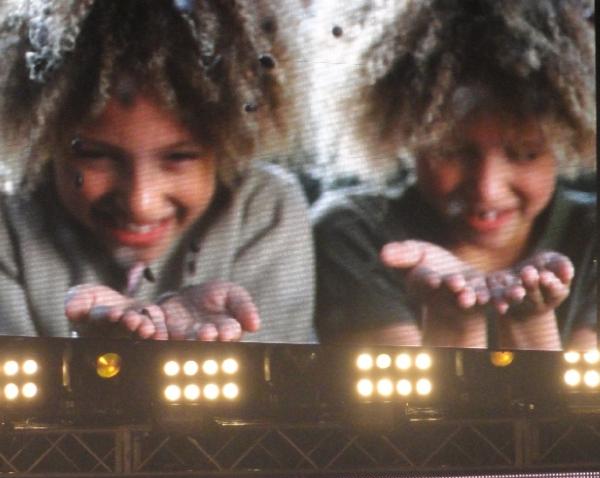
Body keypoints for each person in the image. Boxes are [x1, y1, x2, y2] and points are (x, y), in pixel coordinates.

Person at [0, 0, 314, 342]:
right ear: (44, 138)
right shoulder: (8, 220)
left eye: (180, 157)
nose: (141, 203)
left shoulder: (265, 209)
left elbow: (274, 371)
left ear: (229, 145)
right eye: (95, 155)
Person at [313, 0, 596, 351]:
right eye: (452, 152)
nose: (487, 189)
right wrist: (454, 322)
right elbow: (402, 389)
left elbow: (585, 390)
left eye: (525, 153)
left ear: (568, 141)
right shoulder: (353, 230)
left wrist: (529, 320)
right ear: (407, 136)